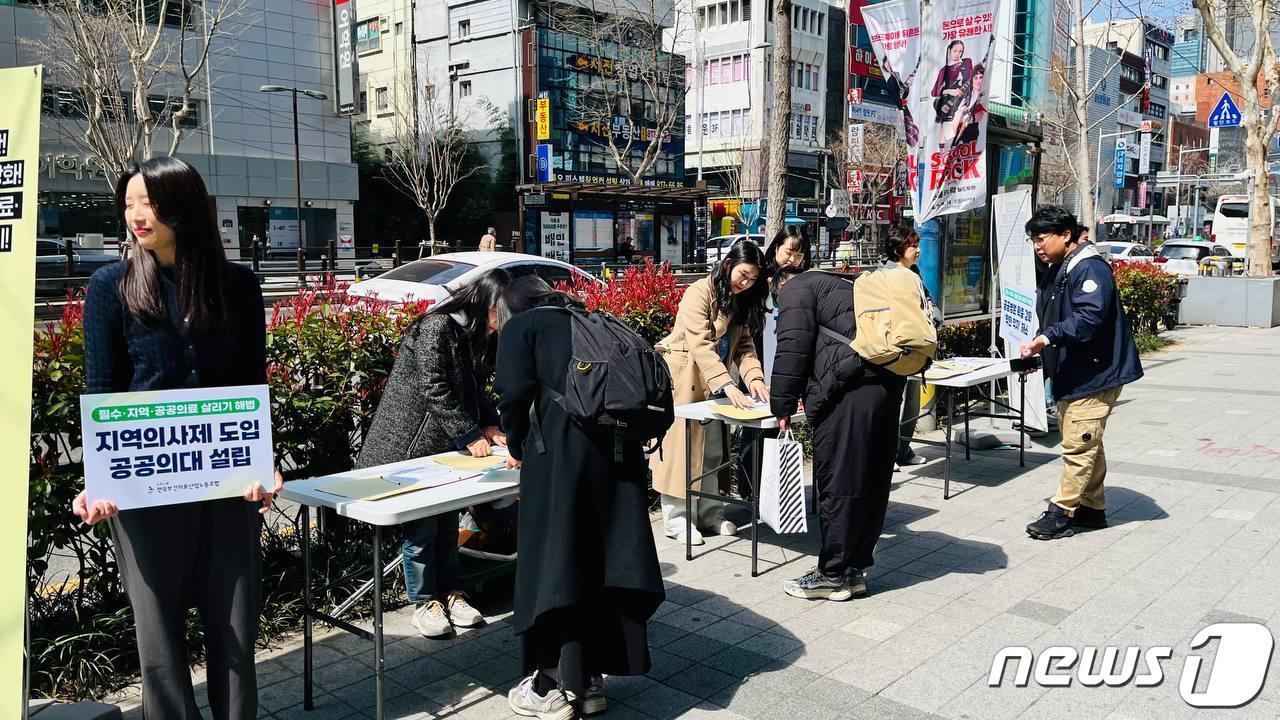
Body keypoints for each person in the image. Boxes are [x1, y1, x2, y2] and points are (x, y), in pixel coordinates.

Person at [71, 157, 281, 720]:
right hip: (141, 488)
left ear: (183, 208)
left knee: (234, 624)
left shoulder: (237, 286)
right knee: (158, 635)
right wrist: (98, 480)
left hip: (228, 480)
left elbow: (251, 382)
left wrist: (266, 462)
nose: (136, 215)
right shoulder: (110, 285)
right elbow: (103, 389)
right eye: (130, 203)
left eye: (149, 203)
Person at [495, 276, 665, 720]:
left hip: (561, 460)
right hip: (617, 457)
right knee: (600, 562)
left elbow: (511, 396)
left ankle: (550, 686)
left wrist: (515, 447)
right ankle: (590, 684)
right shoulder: (591, 320)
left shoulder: (523, 327)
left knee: (559, 563)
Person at [355, 270, 514, 637]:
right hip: (409, 446)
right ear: (486, 305)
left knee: (446, 523)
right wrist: (470, 432)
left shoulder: (473, 334)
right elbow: (434, 387)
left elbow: (477, 389)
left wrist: (489, 426)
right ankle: (425, 601)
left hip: (438, 449)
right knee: (423, 527)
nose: (500, 324)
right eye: (498, 315)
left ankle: (451, 593)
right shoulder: (437, 326)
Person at [771, 266, 907, 600]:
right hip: (887, 385)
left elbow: (793, 346)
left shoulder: (794, 290)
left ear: (777, 285)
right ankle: (856, 571)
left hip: (848, 391)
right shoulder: (847, 284)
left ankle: (831, 574)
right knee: (873, 480)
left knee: (841, 483)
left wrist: (782, 404)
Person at [1020, 206, 1143, 540]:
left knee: (1077, 445)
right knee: (1088, 442)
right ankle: (1092, 508)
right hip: (1075, 372)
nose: (1037, 246)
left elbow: (1090, 318)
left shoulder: (1089, 268)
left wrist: (1046, 338)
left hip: (1094, 374)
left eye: (1042, 239)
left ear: (1066, 235)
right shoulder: (1062, 267)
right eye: (1033, 240)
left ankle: (1061, 512)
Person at [650, 241, 769, 545]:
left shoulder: (740, 300)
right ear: (729, 263)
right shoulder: (699, 292)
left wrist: (754, 378)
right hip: (684, 380)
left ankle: (710, 513)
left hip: (714, 384)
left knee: (713, 450)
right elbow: (700, 344)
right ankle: (677, 520)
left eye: (753, 279)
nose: (746, 283)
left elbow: (744, 347)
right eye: (743, 275)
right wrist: (728, 384)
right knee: (680, 454)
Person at [737, 227, 810, 499]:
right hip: (757, 363)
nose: (793, 259)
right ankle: (749, 492)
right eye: (789, 250)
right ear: (777, 247)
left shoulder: (803, 282)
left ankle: (773, 493)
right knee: (753, 432)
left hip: (787, 363)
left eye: (800, 254)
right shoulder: (758, 281)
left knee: (780, 427)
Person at [881, 226, 942, 469]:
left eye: (917, 244)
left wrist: (934, 316)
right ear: (898, 248)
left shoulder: (914, 272)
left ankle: (903, 450)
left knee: (912, 402)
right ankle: (887, 453)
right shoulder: (883, 275)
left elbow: (928, 300)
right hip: (895, 349)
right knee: (894, 403)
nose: (917, 250)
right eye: (912, 245)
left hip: (917, 348)